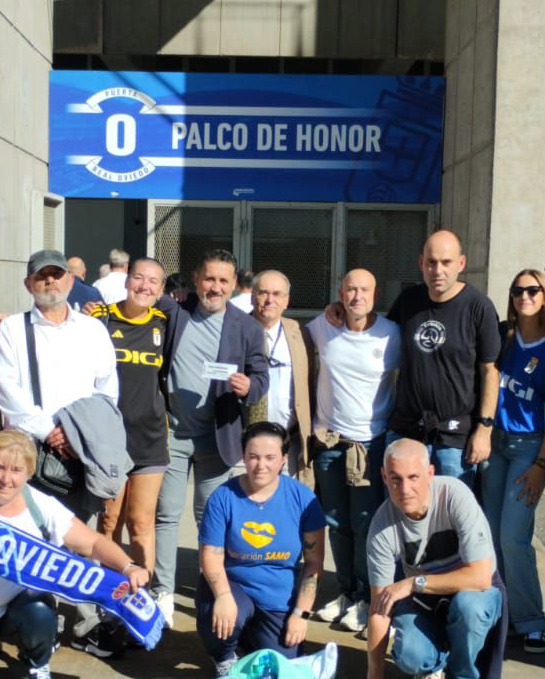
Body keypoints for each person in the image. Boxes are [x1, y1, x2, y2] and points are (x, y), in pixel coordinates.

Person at [0, 430, 150, 679]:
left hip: (16, 610)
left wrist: (128, 567)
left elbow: (93, 543)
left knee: (39, 607)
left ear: (29, 472)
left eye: (16, 470)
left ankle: (38, 663)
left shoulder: (41, 506)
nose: (6, 479)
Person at [338, 439, 504, 679]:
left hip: (473, 591)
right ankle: (433, 665)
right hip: (426, 599)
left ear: (430, 473)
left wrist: (414, 582)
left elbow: (480, 576)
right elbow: (379, 609)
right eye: (395, 479)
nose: (405, 489)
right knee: (411, 656)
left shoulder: (455, 495)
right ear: (384, 477)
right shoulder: (381, 526)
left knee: (469, 607)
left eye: (413, 477)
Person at [152, 248, 269, 621]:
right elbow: (134, 312)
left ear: (234, 285)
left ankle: (209, 592)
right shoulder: (175, 311)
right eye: (209, 279)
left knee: (211, 520)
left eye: (223, 281)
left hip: (218, 437)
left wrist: (248, 386)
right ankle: (162, 593)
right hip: (172, 433)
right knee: (166, 515)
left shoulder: (247, 327)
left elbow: (262, 377)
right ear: (196, 279)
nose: (215, 287)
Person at [0, 248, 119, 517]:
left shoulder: (93, 330)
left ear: (70, 280)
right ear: (28, 284)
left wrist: (75, 433)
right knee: (28, 532)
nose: (50, 280)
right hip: (28, 457)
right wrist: (49, 431)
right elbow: (6, 391)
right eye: (42, 275)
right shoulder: (12, 329)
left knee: (75, 534)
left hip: (79, 454)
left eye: (57, 274)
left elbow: (107, 392)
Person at [305, 268, 400, 630]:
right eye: (350, 290)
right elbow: (292, 336)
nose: (357, 296)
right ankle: (346, 591)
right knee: (335, 522)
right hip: (330, 442)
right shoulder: (323, 326)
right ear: (340, 292)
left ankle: (365, 597)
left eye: (364, 290)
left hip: (369, 445)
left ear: (375, 294)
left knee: (365, 524)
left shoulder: (391, 334)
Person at [480, 268, 545, 655]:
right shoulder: (504, 336)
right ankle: (503, 614)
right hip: (495, 442)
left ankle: (532, 621)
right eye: (517, 290)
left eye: (533, 290)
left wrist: (542, 463)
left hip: (529, 447)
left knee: (513, 537)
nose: (524, 297)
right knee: (490, 534)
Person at [197, 422, 327, 677]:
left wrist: (300, 614)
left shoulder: (304, 499)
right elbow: (210, 555)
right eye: (253, 456)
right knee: (223, 616)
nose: (261, 465)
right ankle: (224, 656)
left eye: (270, 457)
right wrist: (222, 596)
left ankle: (251, 637)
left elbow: (314, 563)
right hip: (234, 586)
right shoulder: (223, 497)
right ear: (243, 456)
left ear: (283, 459)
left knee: (283, 667)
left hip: (278, 595)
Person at [86, 258, 172, 631]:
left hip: (150, 438)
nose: (144, 286)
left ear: (161, 289)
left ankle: (142, 598)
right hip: (109, 440)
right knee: (109, 521)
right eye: (138, 278)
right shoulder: (100, 318)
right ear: (126, 280)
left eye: (153, 281)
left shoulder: (165, 323)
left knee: (141, 522)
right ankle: (108, 598)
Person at [383, 230, 501, 485]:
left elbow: (490, 371)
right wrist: (339, 311)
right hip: (406, 433)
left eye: (446, 262)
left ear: (461, 263)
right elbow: (374, 333)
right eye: (431, 262)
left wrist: (484, 429)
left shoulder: (479, 307)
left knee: (451, 508)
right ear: (421, 263)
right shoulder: (408, 301)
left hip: (454, 440)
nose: (438, 270)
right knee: (402, 507)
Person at [245, 270, 314, 481]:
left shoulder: (300, 333)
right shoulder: (234, 329)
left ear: (286, 301)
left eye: (277, 294)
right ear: (252, 296)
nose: (269, 300)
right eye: (263, 293)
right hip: (244, 445)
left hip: (289, 443)